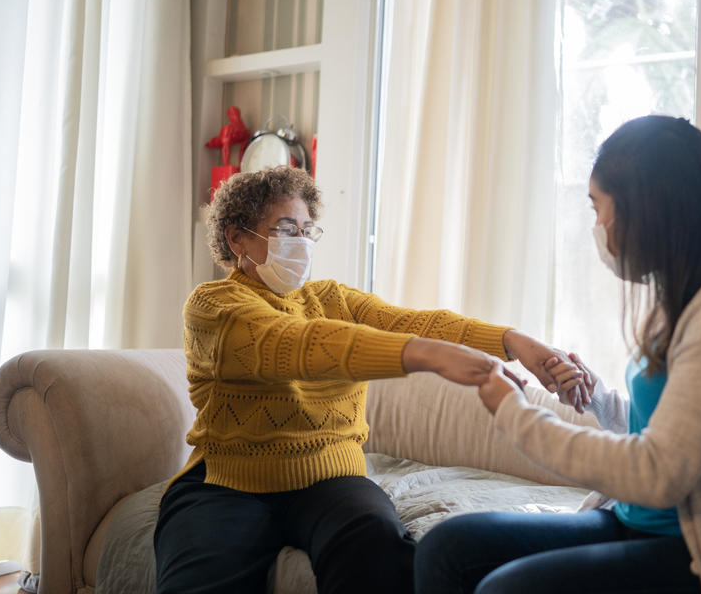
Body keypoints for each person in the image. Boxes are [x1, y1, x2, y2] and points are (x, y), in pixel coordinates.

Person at [415, 115, 701, 594]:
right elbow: (664, 427)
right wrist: (597, 398)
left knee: (506, 589)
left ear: (645, 209)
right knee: (446, 548)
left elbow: (660, 471)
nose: (597, 227)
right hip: (635, 523)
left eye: (597, 207)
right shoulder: (683, 295)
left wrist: (515, 413)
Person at [153, 165, 583, 594]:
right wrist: (430, 356)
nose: (300, 241)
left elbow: (413, 322)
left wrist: (513, 341)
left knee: (378, 553)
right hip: (227, 483)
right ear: (236, 238)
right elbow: (297, 343)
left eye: (306, 230)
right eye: (285, 229)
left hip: (331, 480)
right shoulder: (213, 305)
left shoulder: (332, 299)